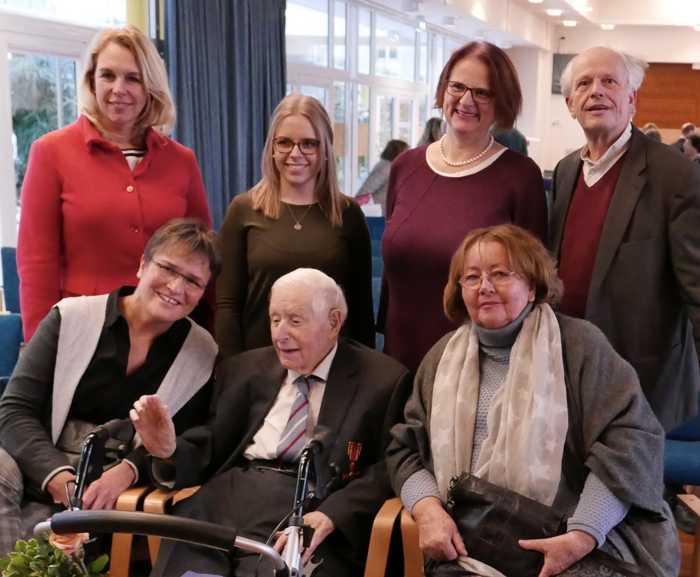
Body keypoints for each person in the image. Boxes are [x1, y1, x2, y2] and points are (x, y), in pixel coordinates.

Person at [387, 224, 679, 577]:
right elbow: (404, 450)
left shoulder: (581, 347)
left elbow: (630, 445)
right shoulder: (440, 358)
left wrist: (583, 534)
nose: (485, 287)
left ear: (532, 286)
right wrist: (428, 509)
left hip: (575, 537)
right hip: (471, 544)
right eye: (472, 277)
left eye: (500, 274)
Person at [132, 268, 410, 577]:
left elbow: (389, 466)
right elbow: (211, 444)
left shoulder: (382, 380)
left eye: (294, 320)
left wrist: (332, 515)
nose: (280, 334)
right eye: (274, 319)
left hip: (308, 503)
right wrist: (169, 451)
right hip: (227, 497)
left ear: (333, 322)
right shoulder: (244, 370)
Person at [0, 219, 220, 556]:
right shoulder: (70, 317)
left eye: (193, 281)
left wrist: (127, 471)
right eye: (168, 268)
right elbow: (14, 410)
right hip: (38, 464)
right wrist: (57, 475)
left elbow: (184, 442)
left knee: (49, 544)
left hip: (112, 489)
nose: (177, 287)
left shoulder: (201, 352)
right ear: (142, 265)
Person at [17, 25, 212, 342]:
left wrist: (207, 336)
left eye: (132, 78)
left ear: (150, 86)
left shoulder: (182, 161)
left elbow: (200, 257)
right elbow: (38, 264)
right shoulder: (50, 153)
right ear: (91, 81)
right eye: (108, 75)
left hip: (166, 335)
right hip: (82, 334)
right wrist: (41, 348)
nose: (118, 88)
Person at [549, 46, 700, 431]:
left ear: (631, 98)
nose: (596, 91)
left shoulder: (674, 176)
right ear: (570, 104)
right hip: (568, 371)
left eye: (609, 81)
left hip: (641, 381)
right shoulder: (566, 172)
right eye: (584, 83)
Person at [379, 41, 547, 373]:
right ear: (443, 90)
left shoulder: (520, 176)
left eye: (482, 93)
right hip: (399, 356)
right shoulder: (405, 166)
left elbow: (535, 284)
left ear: (501, 103)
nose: (466, 101)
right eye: (457, 87)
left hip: (478, 366)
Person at [215, 94, 375, 357]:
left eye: (308, 144)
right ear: (272, 148)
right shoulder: (243, 209)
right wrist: (231, 370)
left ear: (324, 150)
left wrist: (362, 377)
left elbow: (360, 309)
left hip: (331, 366)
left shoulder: (348, 214)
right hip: (258, 364)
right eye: (285, 142)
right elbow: (228, 305)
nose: (295, 153)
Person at [355, 139, 409, 213]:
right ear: (398, 152)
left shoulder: (389, 165)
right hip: (378, 212)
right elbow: (366, 189)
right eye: (406, 151)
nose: (408, 155)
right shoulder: (387, 167)